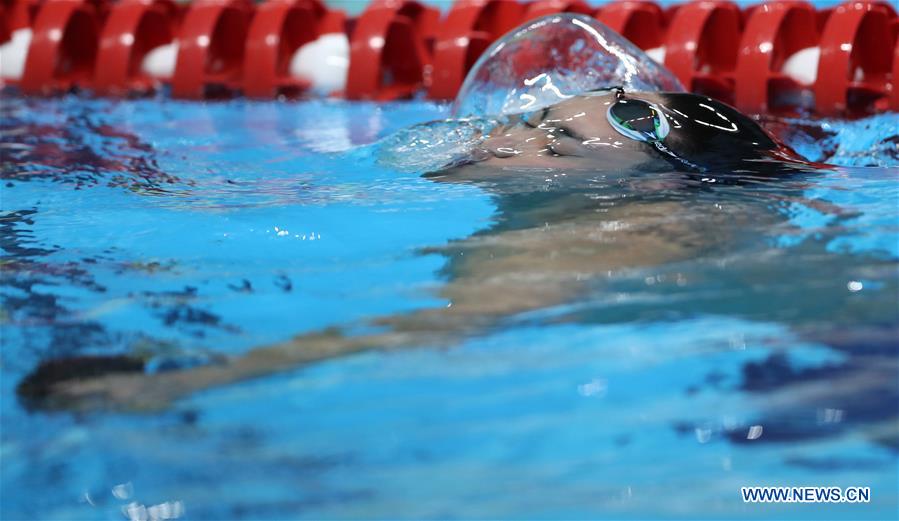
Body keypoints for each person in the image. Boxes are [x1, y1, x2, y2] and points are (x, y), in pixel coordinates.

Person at [17, 89, 829, 412]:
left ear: (653, 188)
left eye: (551, 139)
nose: (501, 134)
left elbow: (422, 337)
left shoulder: (579, 249)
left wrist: (191, 380)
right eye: (531, 114)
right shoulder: (612, 212)